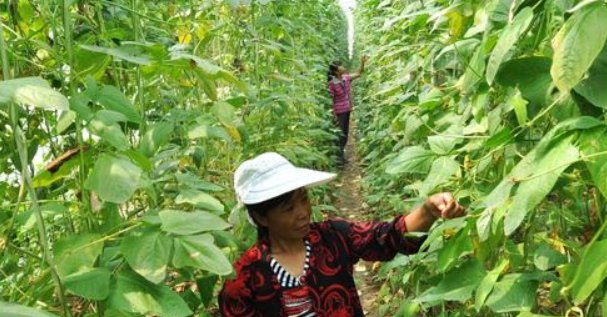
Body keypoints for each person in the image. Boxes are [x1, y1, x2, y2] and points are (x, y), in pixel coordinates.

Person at [219, 152, 465, 317]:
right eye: (289, 208)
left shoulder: (332, 238)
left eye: (304, 199)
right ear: (262, 217)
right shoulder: (242, 281)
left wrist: (429, 211)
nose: (304, 212)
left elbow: (386, 236)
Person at [327, 56, 368, 165]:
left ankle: (341, 156)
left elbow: (359, 73)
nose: (343, 66)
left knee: (345, 132)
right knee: (340, 133)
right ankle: (339, 157)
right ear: (336, 71)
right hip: (339, 111)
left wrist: (362, 62)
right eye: (340, 65)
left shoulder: (346, 78)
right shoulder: (332, 83)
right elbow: (331, 99)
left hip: (347, 109)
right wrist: (334, 114)